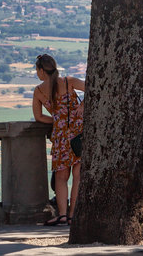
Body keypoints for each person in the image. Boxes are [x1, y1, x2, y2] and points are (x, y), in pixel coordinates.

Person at [32, 54, 84, 226]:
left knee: (61, 177)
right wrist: (82, 106)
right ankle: (73, 214)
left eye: (37, 70)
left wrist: (57, 120)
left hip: (61, 136)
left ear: (41, 70)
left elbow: (38, 116)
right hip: (78, 133)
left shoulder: (39, 91)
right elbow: (95, 90)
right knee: (78, 175)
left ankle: (62, 215)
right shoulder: (69, 82)